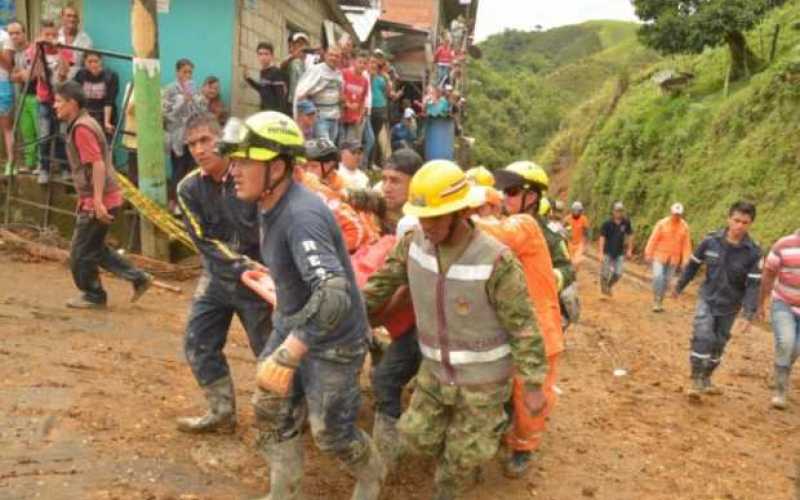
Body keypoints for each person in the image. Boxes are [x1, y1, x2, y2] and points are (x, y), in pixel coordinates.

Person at [362, 160, 547, 499]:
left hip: (482, 384)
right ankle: (469, 442)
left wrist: (533, 385)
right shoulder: (412, 243)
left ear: (460, 212)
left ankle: (476, 445)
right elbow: (378, 287)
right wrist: (348, 313)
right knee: (416, 439)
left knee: (456, 468)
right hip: (435, 374)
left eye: (434, 217)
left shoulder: (495, 260)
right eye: (421, 216)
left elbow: (524, 327)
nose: (426, 225)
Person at [226, 111, 385, 500]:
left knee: (332, 434)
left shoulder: (301, 216)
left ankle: (373, 474)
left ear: (277, 167)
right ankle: (286, 492)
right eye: (235, 160)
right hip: (293, 321)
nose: (234, 170)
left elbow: (333, 293)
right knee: (269, 410)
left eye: (245, 161)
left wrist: (291, 351)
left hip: (334, 340)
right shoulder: (269, 200)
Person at [174, 113, 270, 433]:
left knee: (270, 352)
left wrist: (265, 271)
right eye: (192, 144)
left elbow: (269, 227)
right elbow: (203, 240)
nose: (199, 150)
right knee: (198, 340)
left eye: (205, 140)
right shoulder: (188, 188)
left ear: (221, 139)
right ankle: (221, 412)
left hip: (260, 281)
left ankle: (288, 416)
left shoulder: (249, 176)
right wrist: (241, 266)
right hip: (219, 275)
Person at [466, 166, 563, 478]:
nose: (505, 198)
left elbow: (495, 235)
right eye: (503, 192)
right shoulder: (512, 222)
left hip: (538, 332)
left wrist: (452, 213)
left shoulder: (526, 225)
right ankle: (509, 436)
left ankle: (524, 448)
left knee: (528, 398)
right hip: (515, 328)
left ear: (531, 197)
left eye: (511, 192)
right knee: (509, 391)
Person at [53, 81, 152, 308]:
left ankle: (94, 294)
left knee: (79, 255)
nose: (54, 105)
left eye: (59, 101)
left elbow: (96, 164)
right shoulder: (83, 123)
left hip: (101, 200)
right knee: (95, 249)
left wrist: (97, 201)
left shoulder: (81, 128)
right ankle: (139, 278)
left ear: (73, 104)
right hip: (105, 197)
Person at [674, 201, 761, 400]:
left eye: (745, 222)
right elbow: (692, 266)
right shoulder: (710, 241)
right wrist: (679, 286)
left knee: (719, 343)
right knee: (704, 335)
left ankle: (706, 378)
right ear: (728, 219)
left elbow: (753, 285)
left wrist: (748, 314)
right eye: (736, 220)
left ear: (750, 224)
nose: (739, 226)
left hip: (730, 305)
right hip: (707, 298)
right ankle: (696, 380)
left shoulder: (754, 252)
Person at [759, 228, 800, 409]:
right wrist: (760, 302)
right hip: (783, 302)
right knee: (786, 342)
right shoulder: (783, 245)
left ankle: (779, 371)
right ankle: (780, 391)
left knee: (795, 349)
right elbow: (768, 274)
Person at [31, 19, 72, 184]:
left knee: (62, 135)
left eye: (54, 35)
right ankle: (44, 169)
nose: (50, 38)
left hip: (61, 100)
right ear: (40, 36)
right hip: (45, 100)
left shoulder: (65, 51)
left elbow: (64, 73)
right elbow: (37, 74)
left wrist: (60, 50)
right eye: (47, 35)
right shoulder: (36, 51)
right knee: (44, 135)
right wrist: (39, 49)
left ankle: (64, 168)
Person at [162, 58, 206, 211]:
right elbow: (167, 115)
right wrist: (182, 100)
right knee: (178, 169)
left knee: (193, 168)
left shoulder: (195, 90)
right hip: (178, 137)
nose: (188, 75)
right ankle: (175, 201)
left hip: (192, 136)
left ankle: (190, 203)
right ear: (177, 72)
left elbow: (201, 112)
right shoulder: (169, 90)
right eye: (185, 72)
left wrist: (194, 99)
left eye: (190, 72)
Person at [644, 203, 692, 312]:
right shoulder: (662, 224)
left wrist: (685, 260)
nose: (677, 216)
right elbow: (653, 239)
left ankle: (660, 301)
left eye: (679, 214)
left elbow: (686, 245)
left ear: (681, 215)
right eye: (675, 214)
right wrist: (648, 253)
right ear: (671, 212)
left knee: (666, 281)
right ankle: (656, 299)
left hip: (673, 260)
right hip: (659, 256)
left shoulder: (684, 227)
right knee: (658, 277)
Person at [6, 20, 38, 175]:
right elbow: (12, 76)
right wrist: (20, 75)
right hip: (22, 96)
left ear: (25, 33)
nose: (14, 37)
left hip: (37, 96)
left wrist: (20, 75)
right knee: (26, 131)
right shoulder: (15, 54)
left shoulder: (33, 50)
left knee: (40, 132)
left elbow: (30, 76)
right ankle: (29, 164)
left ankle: (41, 165)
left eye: (17, 33)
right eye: (11, 34)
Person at [294, 47, 343, 143]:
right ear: (325, 56)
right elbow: (301, 93)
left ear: (340, 58)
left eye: (337, 56)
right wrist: (310, 112)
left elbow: (339, 94)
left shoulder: (338, 74)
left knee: (329, 149)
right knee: (324, 149)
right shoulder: (316, 70)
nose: (333, 58)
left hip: (334, 118)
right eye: (331, 55)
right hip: (320, 118)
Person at [73, 51, 119, 139]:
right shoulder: (80, 74)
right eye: (89, 62)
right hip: (86, 114)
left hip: (104, 114)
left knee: (105, 145)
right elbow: (76, 96)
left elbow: (109, 101)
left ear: (101, 61)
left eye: (96, 61)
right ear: (84, 62)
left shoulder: (111, 76)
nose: (93, 64)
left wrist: (107, 122)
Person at [597, 202, 633, 297]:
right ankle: (603, 291)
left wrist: (629, 249)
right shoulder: (607, 223)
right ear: (613, 211)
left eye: (621, 211)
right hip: (607, 251)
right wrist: (600, 252)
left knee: (618, 273)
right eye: (617, 211)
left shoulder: (626, 222)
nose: (619, 213)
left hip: (619, 252)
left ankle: (609, 286)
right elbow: (602, 238)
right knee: (604, 273)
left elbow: (629, 235)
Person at [245, 41, 289, 114]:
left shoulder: (276, 72)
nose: (263, 57)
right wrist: (248, 79)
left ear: (272, 56)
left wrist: (279, 116)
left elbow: (281, 98)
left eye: (266, 54)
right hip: (264, 112)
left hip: (274, 114)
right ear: (257, 56)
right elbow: (263, 89)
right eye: (260, 54)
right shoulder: (263, 72)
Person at [341, 50, 370, 146]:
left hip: (353, 119)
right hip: (341, 116)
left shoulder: (365, 81)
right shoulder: (344, 73)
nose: (362, 65)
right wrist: (347, 104)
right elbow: (338, 91)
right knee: (340, 143)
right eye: (360, 62)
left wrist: (360, 115)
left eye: (364, 63)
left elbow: (362, 99)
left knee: (350, 147)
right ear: (354, 62)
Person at [58, 4, 93, 69]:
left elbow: (88, 65)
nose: (72, 19)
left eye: (75, 16)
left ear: (78, 20)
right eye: (69, 16)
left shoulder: (86, 40)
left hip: (76, 76)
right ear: (62, 17)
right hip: (54, 75)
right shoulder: (54, 35)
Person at [285, 32, 309, 105]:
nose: (300, 47)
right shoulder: (292, 61)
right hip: (294, 102)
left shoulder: (311, 61)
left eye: (302, 44)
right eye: (297, 44)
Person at [565, 201, 590, 269]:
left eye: (578, 211)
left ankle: (574, 274)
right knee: (571, 261)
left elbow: (586, 232)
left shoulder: (584, 219)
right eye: (575, 210)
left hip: (579, 243)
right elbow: (564, 231)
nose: (576, 212)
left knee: (577, 262)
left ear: (581, 211)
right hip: (570, 243)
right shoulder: (567, 219)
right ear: (572, 210)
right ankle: (572, 275)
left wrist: (586, 245)